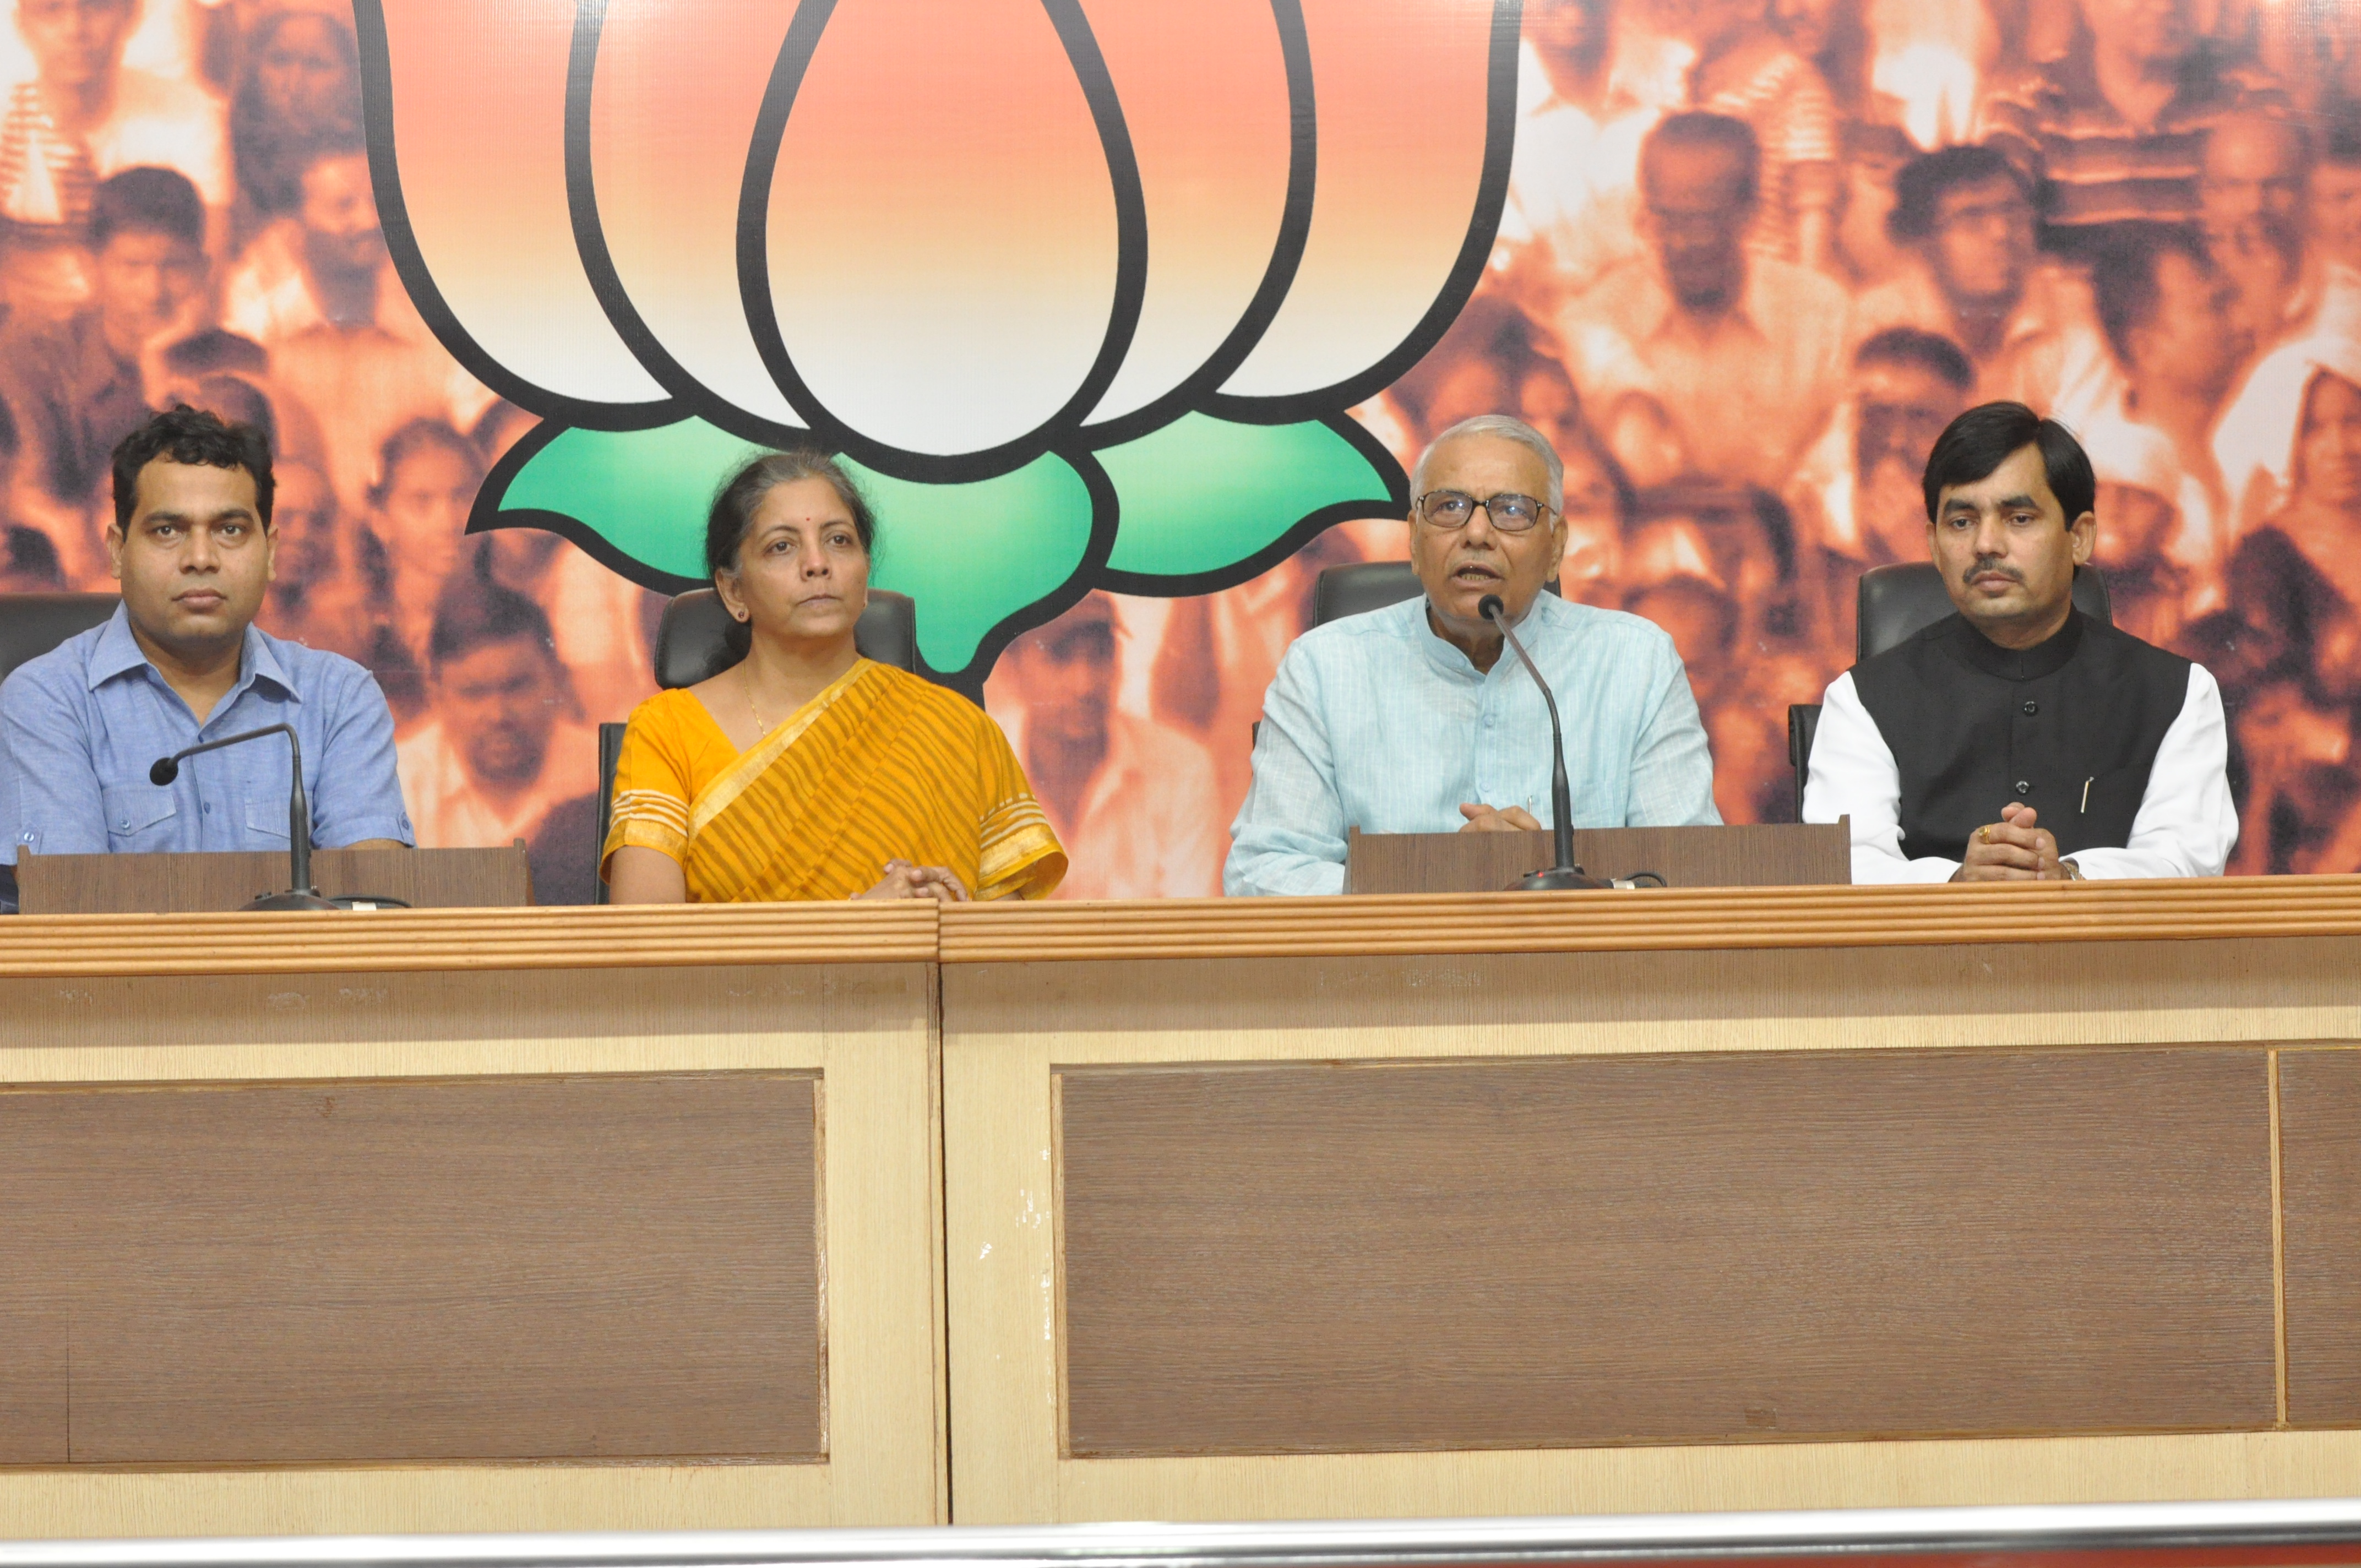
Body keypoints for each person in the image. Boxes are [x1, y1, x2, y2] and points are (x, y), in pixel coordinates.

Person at [1225, 414, 1719, 897]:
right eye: (1449, 506)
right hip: (1392, 974)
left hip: (1587, 972)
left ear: (1555, 548)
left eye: (1512, 510)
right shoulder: (1323, 669)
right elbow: (1260, 876)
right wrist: (1437, 886)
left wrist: (1565, 888)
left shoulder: (1635, 662)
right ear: (1414, 539)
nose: (1478, 533)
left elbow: (1690, 874)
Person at [603, 448, 1064, 903]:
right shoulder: (667, 732)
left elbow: (1007, 958)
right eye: (781, 547)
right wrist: (855, 927)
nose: (817, 564)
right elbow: (646, 947)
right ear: (734, 589)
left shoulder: (961, 734)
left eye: (839, 540)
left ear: (865, 577)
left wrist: (948, 928)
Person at [1802, 401, 2237, 881]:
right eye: (1962, 522)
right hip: (1929, 957)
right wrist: (1955, 885)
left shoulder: (2178, 694)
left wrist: (2069, 878)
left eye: (2019, 518)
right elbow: (1843, 873)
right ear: (1933, 545)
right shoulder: (1862, 701)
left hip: (2111, 956)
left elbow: (2187, 863)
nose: (1987, 544)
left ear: (2080, 538)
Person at [0, 405, 411, 879]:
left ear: (271, 552)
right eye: (168, 530)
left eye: (230, 530)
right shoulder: (50, 699)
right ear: (117, 550)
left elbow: (373, 906)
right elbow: (69, 911)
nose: (201, 558)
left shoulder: (339, 698)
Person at [1557, 112, 1849, 492]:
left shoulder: (1821, 318)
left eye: (1701, 222)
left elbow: (1836, 479)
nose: (1681, 243)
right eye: (1666, 220)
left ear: (1750, 213)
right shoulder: (1598, 321)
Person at [1, 166, 240, 580]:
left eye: (174, 267)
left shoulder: (236, 361)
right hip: (63, 568)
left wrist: (158, 379)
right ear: (91, 266)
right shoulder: (37, 353)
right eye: (132, 266)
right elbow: (40, 493)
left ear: (204, 268)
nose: (153, 291)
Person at [1857, 146, 2121, 431]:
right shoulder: (1880, 321)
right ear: (1924, 242)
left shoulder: (2076, 311)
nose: (2002, 233)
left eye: (2014, 213)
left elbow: (2090, 450)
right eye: (1972, 218)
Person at [994, 592, 1226, 899]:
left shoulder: (1182, 770)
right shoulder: (971, 770)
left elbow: (1190, 934)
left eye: (1101, 653)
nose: (1085, 684)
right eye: (1059, 656)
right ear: (1012, 668)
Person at [396, 576, 598, 902]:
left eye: (517, 687)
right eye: (474, 694)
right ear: (436, 697)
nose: (498, 715)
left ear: (558, 679)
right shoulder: (398, 786)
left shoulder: (603, 775)